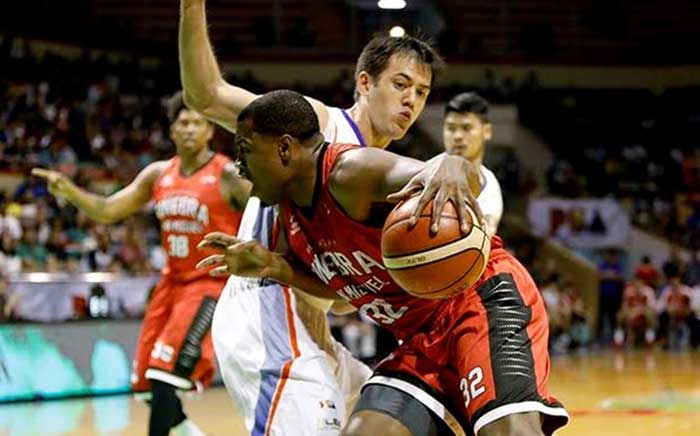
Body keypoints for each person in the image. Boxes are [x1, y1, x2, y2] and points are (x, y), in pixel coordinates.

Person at [178, 1, 483, 433]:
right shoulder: (316, 126)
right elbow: (206, 95)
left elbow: (341, 298)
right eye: (400, 84)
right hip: (267, 313)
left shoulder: (378, 176)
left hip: (313, 325)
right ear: (364, 83)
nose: (410, 100)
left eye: (421, 92)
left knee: (419, 415)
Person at [198, 91, 569, 436]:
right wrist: (273, 266)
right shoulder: (289, 213)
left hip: (480, 304)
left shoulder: (349, 171)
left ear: (283, 149)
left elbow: (444, 173)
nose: (239, 166)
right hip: (421, 337)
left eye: (245, 150)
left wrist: (455, 165)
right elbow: (342, 293)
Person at [32, 92, 250, 436]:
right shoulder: (158, 174)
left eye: (197, 122)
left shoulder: (228, 175)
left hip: (210, 285)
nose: (190, 129)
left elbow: (271, 216)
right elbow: (108, 211)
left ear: (210, 131)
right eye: (183, 122)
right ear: (172, 131)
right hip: (170, 286)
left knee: (165, 378)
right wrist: (71, 192)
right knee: (148, 385)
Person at [442, 92, 503, 236]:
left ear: (486, 131)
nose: (457, 136)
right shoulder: (425, 174)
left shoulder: (492, 184)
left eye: (466, 128)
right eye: (451, 128)